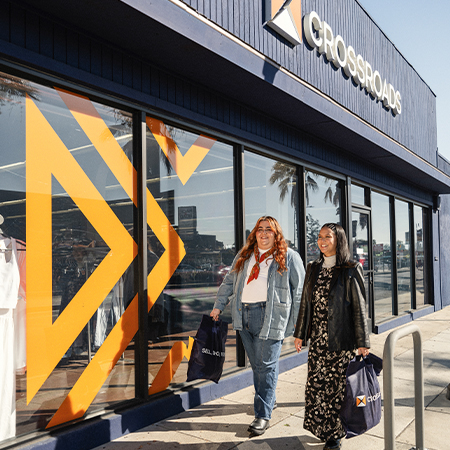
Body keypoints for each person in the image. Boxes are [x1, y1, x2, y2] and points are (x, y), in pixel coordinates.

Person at [210, 216, 305, 436]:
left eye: (268, 230)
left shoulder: (289, 257)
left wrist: (299, 326)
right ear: (255, 233)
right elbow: (229, 282)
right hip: (243, 316)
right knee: (258, 366)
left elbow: (299, 293)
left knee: (266, 367)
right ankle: (270, 400)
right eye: (260, 230)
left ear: (276, 234)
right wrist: (218, 305)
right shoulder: (245, 256)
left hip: (271, 316)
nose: (264, 234)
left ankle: (262, 415)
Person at [294, 223, 370, 450]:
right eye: (319, 237)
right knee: (317, 387)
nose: (322, 240)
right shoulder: (313, 267)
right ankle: (322, 428)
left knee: (337, 389)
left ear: (339, 240)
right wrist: (300, 334)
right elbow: (305, 304)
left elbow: (359, 308)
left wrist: (362, 342)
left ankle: (335, 435)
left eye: (328, 236)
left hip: (340, 341)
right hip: (318, 342)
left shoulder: (350, 268)